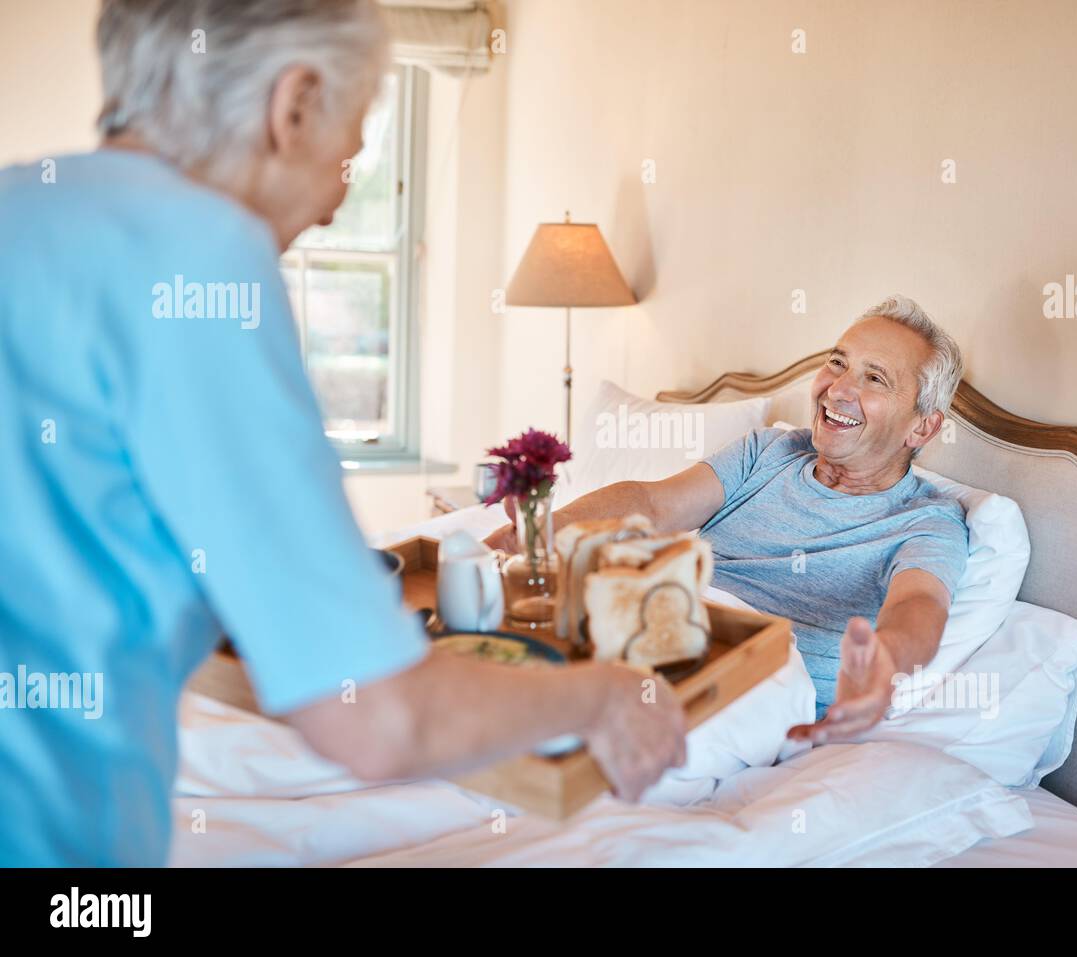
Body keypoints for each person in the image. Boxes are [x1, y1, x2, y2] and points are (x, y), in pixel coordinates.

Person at [0, 0, 684, 867]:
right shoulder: (201, 258)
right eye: (348, 153)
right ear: (292, 106)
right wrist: (609, 694)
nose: (333, 204)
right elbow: (378, 717)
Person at [487, 298, 969, 744]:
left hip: (756, 685)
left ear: (922, 425)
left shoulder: (927, 521)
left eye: (875, 379)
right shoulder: (770, 451)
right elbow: (653, 505)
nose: (838, 389)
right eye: (838, 363)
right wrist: (544, 533)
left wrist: (883, 665)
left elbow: (920, 604)